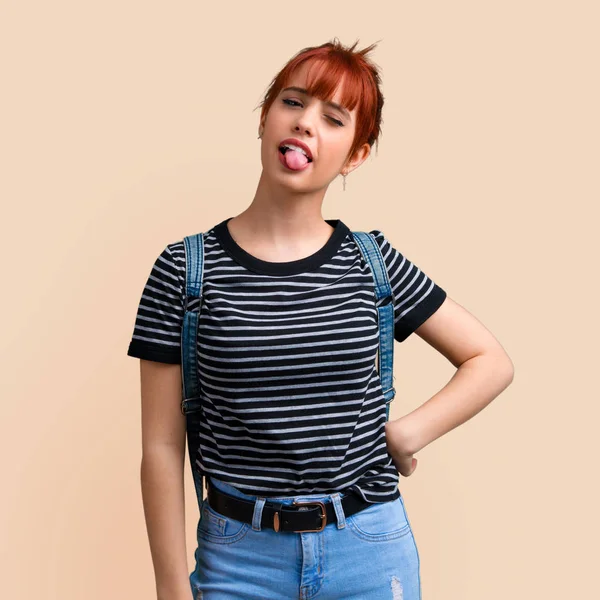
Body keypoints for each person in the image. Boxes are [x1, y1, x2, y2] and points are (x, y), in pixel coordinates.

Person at [127, 38, 514, 600]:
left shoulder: (372, 263)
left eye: (333, 118)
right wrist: (170, 587)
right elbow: (162, 446)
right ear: (265, 120)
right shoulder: (185, 271)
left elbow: (490, 361)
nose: (306, 123)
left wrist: (409, 431)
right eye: (292, 102)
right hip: (239, 560)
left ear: (355, 154)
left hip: (370, 551)